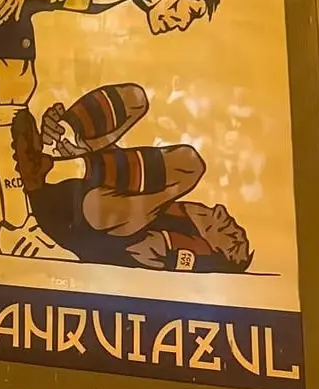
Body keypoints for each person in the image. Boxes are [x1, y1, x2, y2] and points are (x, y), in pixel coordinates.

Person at [0, 0, 220, 259]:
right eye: (188, 13)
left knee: (16, 89)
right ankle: (16, 229)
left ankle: (40, 181)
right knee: (14, 86)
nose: (180, 25)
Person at [14, 81, 253, 273]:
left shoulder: (197, 249)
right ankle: (60, 144)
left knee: (189, 167)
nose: (227, 218)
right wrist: (84, 143)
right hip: (72, 196)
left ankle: (54, 168)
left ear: (218, 252)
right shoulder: (178, 209)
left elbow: (144, 249)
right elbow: (122, 173)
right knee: (134, 99)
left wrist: (168, 240)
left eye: (231, 237)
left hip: (81, 219)